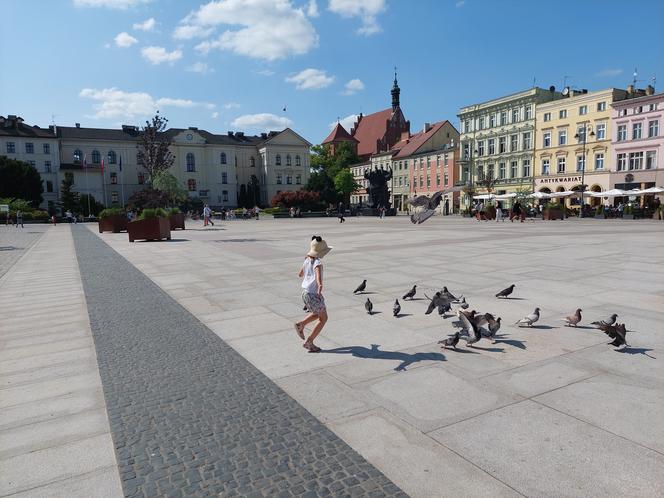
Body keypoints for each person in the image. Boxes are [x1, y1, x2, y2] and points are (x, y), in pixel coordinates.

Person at [294, 236, 332, 353]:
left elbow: (300, 274)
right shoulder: (317, 263)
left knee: (317, 314)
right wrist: (320, 288)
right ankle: (309, 342)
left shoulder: (307, 260)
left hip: (305, 293)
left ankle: (301, 324)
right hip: (313, 294)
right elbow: (318, 277)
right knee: (323, 318)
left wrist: (306, 265)